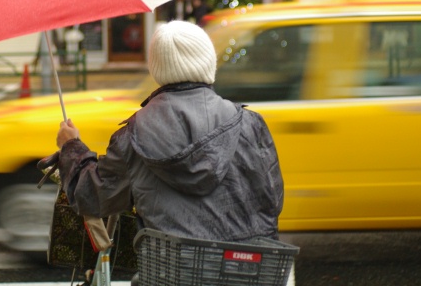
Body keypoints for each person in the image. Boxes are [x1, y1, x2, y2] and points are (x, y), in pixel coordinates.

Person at [54, 20, 284, 244]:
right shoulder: (250, 124)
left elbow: (93, 197)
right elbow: (273, 199)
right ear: (208, 63)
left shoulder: (133, 136)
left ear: (156, 69)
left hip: (173, 270)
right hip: (247, 268)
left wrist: (71, 148)